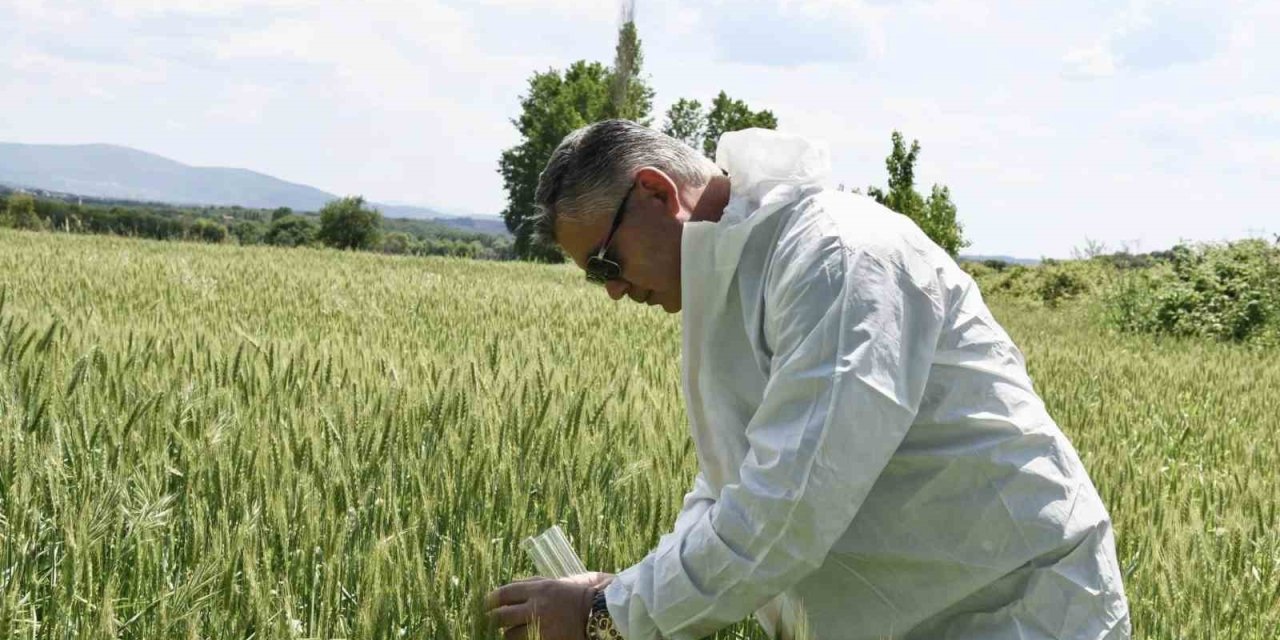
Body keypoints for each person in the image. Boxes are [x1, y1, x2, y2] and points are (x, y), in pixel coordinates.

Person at [484, 120, 1130, 640]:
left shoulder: (838, 256)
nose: (615, 292)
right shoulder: (736, 274)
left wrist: (612, 615)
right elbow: (729, 483)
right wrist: (618, 598)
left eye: (605, 263)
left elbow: (793, 500)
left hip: (1009, 613)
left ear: (656, 192)